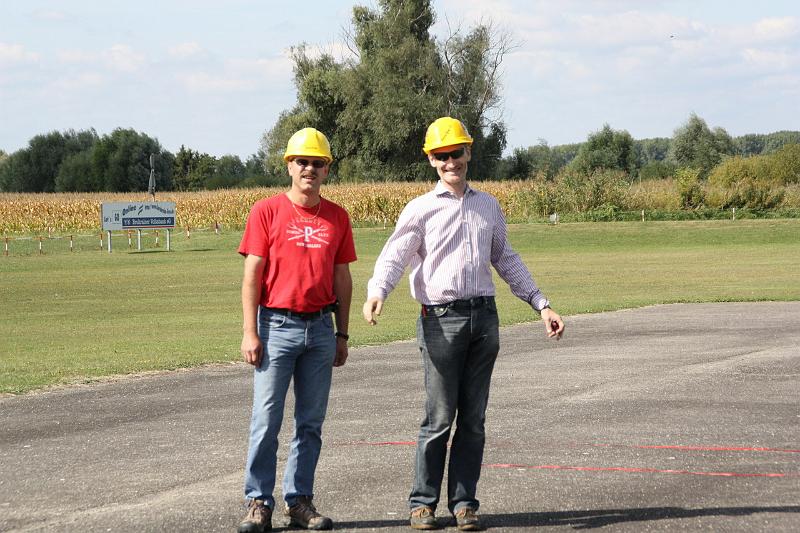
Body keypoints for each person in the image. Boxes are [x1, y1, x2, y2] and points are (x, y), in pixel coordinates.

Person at [362, 117, 564, 531]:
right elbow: (395, 255)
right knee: (439, 418)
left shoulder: (488, 205)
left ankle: (464, 504)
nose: (450, 161)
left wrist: (541, 304)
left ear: (468, 152)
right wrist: (378, 291)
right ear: (431, 160)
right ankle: (422, 504)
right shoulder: (420, 209)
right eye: (441, 155)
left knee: (473, 419)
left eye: (456, 152)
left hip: (484, 317)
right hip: (440, 320)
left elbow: (505, 258)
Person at [238, 127, 356, 532]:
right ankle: (258, 502)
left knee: (310, 423)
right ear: (289, 165)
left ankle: (299, 501)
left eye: (317, 163)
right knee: (266, 419)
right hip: (276, 325)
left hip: (321, 328)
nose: (309, 169)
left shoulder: (337, 216)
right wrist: (250, 331)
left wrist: (342, 333)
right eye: (302, 161)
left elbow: (342, 278)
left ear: (327, 170)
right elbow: (252, 275)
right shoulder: (266, 211)